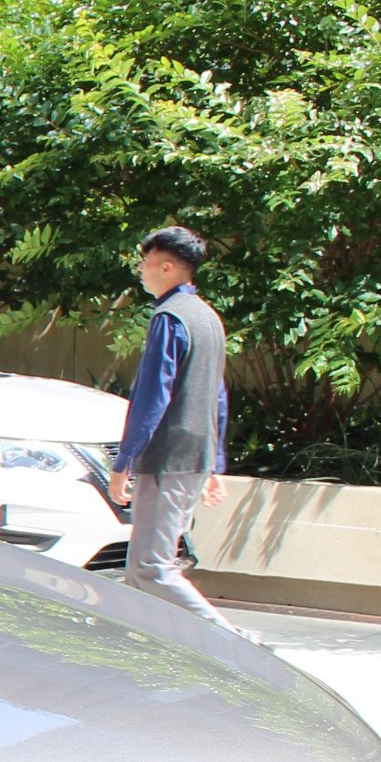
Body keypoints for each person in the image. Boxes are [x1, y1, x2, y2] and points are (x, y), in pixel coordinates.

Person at [107, 225, 234, 627]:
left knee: (150, 569)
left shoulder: (170, 317)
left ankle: (232, 640)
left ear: (166, 267)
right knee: (141, 573)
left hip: (168, 458)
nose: (141, 270)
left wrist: (124, 461)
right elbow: (217, 396)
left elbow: (152, 397)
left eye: (146, 262)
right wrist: (214, 464)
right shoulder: (208, 318)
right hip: (193, 457)